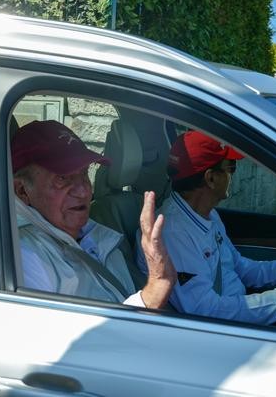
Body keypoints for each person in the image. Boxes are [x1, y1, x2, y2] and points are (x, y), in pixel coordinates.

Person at [136, 130, 276, 326]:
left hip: (240, 311)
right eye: (231, 167)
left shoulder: (208, 215)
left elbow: (239, 267)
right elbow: (206, 311)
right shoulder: (173, 233)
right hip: (231, 330)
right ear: (211, 178)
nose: (232, 175)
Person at [12, 120, 175, 309]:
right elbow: (71, 338)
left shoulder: (98, 235)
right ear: (22, 190)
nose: (84, 191)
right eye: (62, 178)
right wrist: (155, 289)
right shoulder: (24, 254)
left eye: (84, 173)